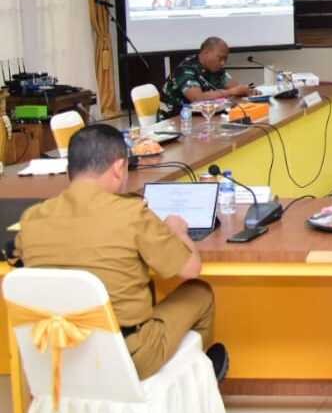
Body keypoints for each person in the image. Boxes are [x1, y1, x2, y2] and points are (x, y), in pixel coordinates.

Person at [16, 124, 228, 381]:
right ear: (118, 168)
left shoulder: (32, 218)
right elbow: (190, 269)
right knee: (199, 292)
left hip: (57, 352)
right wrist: (177, 230)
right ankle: (198, 379)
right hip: (128, 356)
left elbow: (19, 257)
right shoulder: (132, 213)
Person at [160, 36, 253, 116]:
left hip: (202, 117)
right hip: (175, 120)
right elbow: (197, 98)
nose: (223, 63)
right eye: (220, 58)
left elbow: (235, 87)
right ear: (206, 53)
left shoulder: (215, 68)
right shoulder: (186, 69)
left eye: (225, 59)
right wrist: (231, 92)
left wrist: (246, 90)